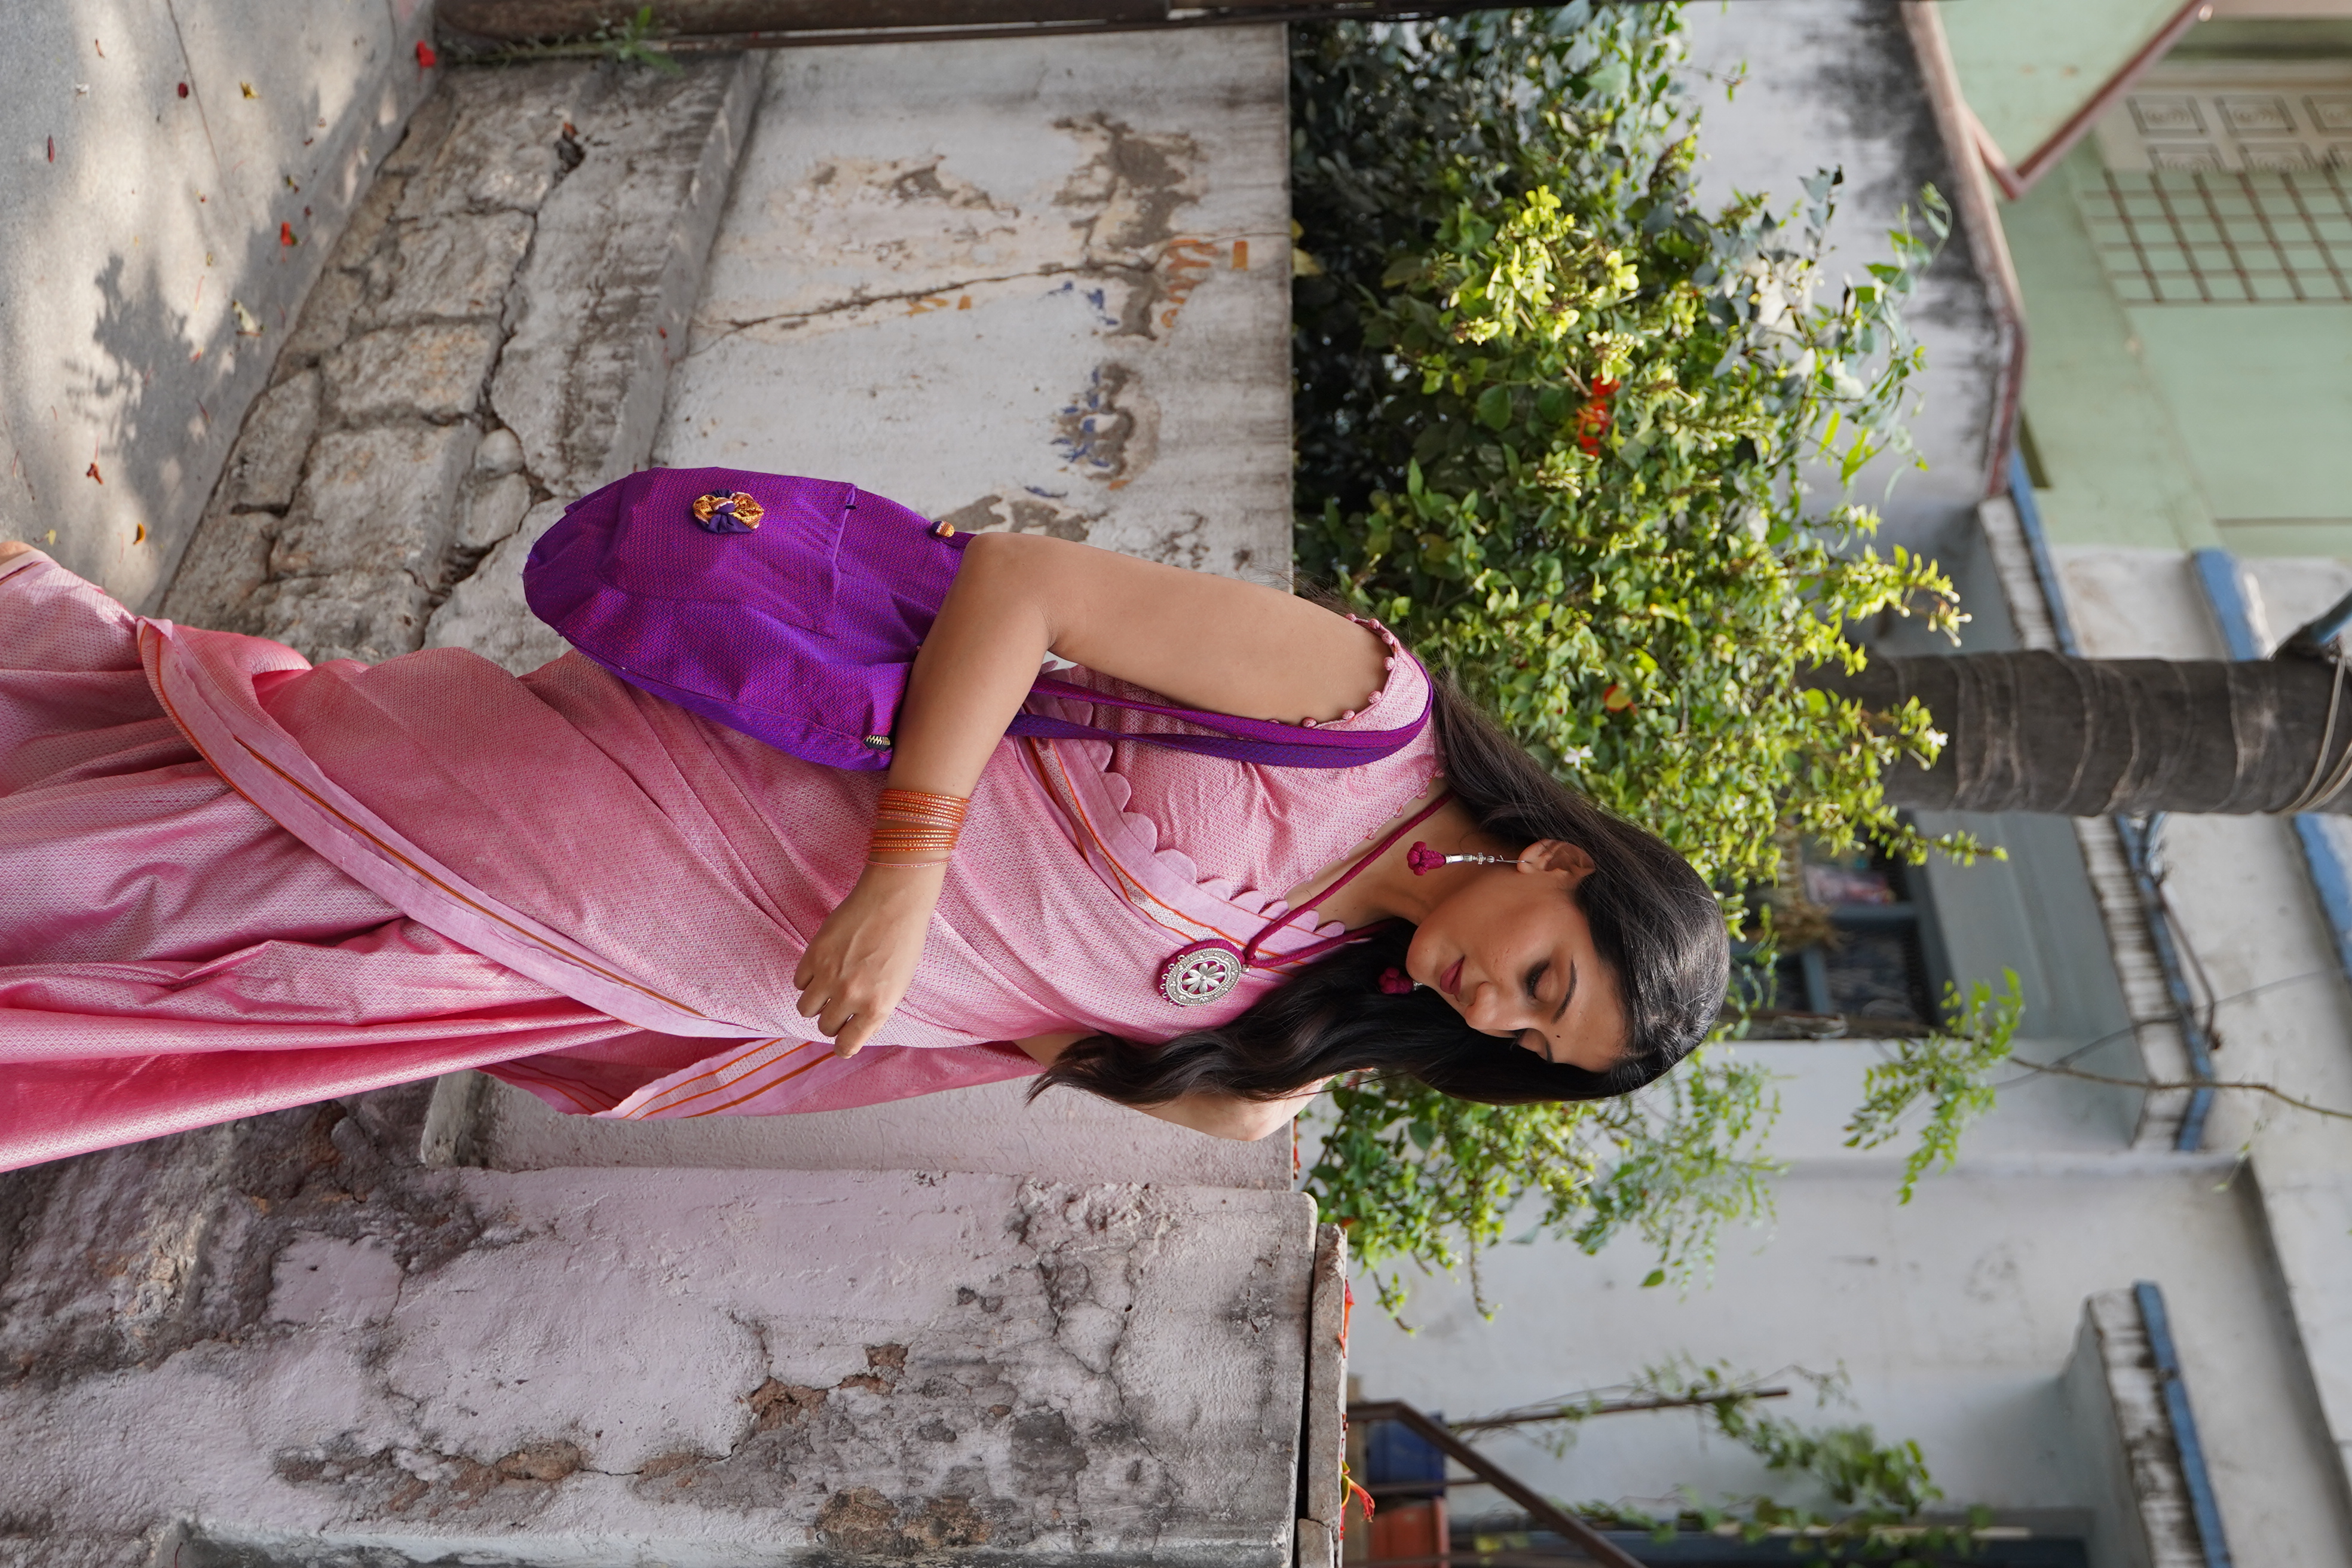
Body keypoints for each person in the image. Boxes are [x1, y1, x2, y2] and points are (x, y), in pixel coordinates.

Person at [0, 502, 1726, 1172]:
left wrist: (1255, 1087)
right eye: (1542, 977)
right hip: (665, 808)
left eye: (1524, 1038)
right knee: (253, 869)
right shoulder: (1360, 711)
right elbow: (1026, 581)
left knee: (281, 980)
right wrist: (908, 868)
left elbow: (1077, 1034)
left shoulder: (1323, 995)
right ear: (1561, 863)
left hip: (699, 964)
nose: (1491, 1010)